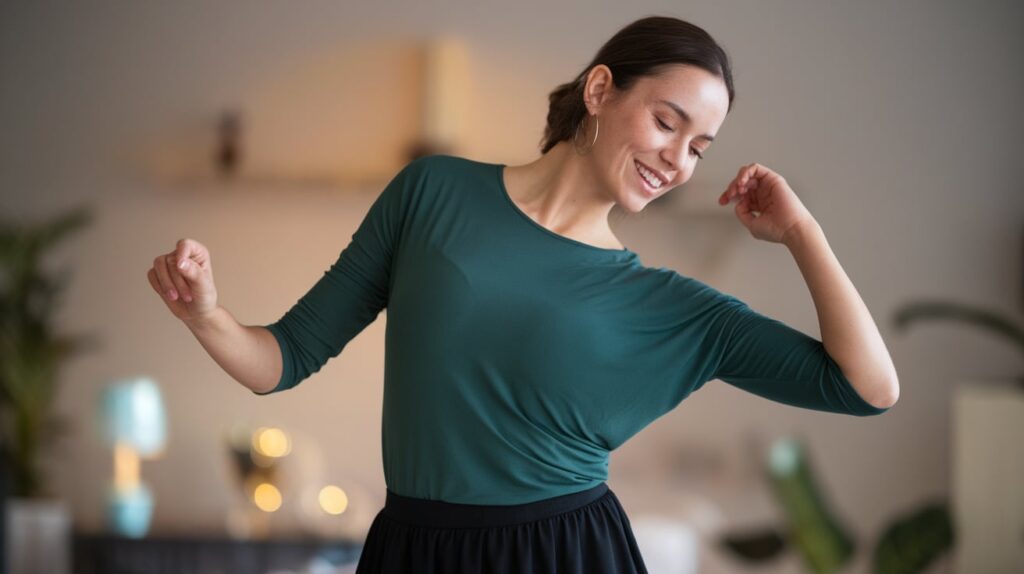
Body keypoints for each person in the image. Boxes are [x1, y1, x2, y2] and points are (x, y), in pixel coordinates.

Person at [146, 15, 899, 574]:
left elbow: (868, 389)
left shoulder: (674, 308)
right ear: (601, 89)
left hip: (565, 553)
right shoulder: (433, 193)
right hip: (412, 549)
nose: (677, 160)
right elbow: (285, 357)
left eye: (699, 148)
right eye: (668, 122)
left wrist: (800, 230)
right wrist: (207, 313)